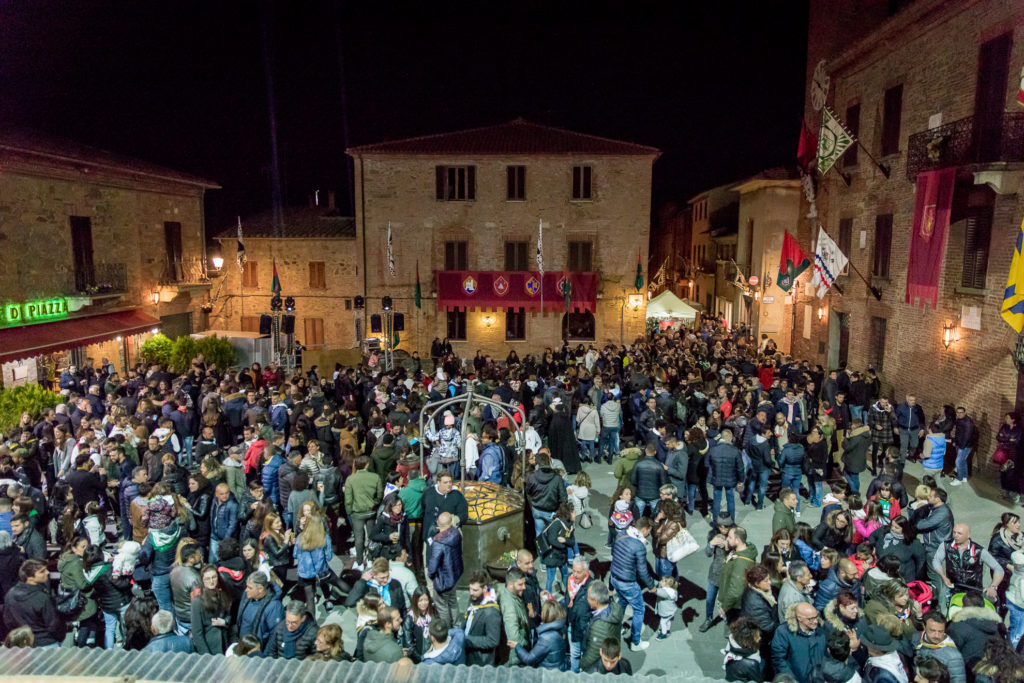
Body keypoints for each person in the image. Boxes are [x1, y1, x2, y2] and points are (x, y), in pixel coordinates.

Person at [933, 524, 1003, 612]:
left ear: (968, 535)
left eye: (959, 533)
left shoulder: (979, 551)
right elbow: (936, 560)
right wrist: (943, 576)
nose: (955, 535)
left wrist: (993, 586)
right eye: (954, 532)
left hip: (973, 594)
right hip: (953, 591)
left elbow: (998, 568)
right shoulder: (946, 545)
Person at [609, 516, 655, 651]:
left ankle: (615, 629)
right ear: (644, 529)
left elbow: (614, 556)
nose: (648, 534)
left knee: (622, 603)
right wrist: (651, 586)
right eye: (649, 531)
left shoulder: (621, 534)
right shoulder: (639, 546)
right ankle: (635, 642)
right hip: (628, 582)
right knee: (639, 609)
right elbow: (642, 571)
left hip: (615, 578)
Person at [3, 558, 66, 648]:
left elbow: (8, 620)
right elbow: (53, 625)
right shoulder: (42, 598)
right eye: (42, 571)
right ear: (30, 577)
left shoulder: (10, 594)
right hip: (46, 643)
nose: (47, 572)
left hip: (23, 644)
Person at [57, 535, 101, 647]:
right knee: (87, 622)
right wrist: (93, 582)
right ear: (74, 548)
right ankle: (83, 646)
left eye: (87, 546)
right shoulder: (76, 563)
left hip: (70, 597)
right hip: (81, 600)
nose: (86, 550)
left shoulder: (66, 560)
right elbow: (82, 584)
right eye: (83, 547)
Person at [946, 591, 1004, 673]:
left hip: (966, 672)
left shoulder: (958, 626)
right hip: (989, 672)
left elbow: (949, 653)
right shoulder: (996, 626)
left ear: (963, 606)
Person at [771, 602, 827, 683]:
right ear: (799, 618)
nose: (815, 621)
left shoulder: (821, 631)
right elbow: (779, 660)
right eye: (811, 619)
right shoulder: (784, 632)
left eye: (816, 617)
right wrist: (791, 680)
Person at [344, 455, 382, 570]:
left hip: (357, 512)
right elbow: (379, 495)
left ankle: (359, 562)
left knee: (359, 538)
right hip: (370, 511)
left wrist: (349, 511)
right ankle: (370, 559)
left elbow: (348, 499)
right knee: (371, 537)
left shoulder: (351, 479)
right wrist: (374, 503)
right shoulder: (375, 477)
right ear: (367, 464)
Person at [426, 511, 463, 629]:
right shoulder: (456, 533)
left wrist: (431, 574)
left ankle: (446, 630)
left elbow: (433, 563)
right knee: (453, 602)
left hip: (442, 579)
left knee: (442, 607)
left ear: (438, 523)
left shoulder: (438, 542)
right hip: (454, 576)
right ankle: (457, 627)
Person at [580, 581, 623, 672]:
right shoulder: (614, 608)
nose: (587, 599)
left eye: (588, 597)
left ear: (596, 601)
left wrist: (580, 664)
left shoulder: (599, 627)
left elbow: (592, 656)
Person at [912, 611, 966, 683]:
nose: (937, 636)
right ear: (924, 626)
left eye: (940, 631)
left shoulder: (953, 656)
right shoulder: (916, 639)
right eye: (932, 630)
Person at [190, 563, 233, 655]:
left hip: (226, 641)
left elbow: (229, 615)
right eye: (207, 579)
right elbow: (197, 633)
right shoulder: (197, 602)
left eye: (214, 577)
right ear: (203, 581)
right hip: (211, 646)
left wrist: (225, 622)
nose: (211, 581)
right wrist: (206, 655)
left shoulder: (223, 594)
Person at [719, 526, 759, 621]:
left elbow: (736, 590)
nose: (727, 539)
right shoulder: (741, 551)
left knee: (732, 629)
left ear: (737, 540)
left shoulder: (742, 563)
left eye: (730, 537)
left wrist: (725, 607)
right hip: (734, 603)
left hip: (734, 606)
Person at [237, 572, 285, 650]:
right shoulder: (247, 596)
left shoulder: (274, 606)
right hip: (243, 646)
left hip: (258, 651)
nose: (246, 590)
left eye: (250, 588)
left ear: (260, 589)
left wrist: (265, 655)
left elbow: (275, 635)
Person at [710, 428, 745, 522]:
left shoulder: (713, 450)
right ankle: (731, 521)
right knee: (730, 500)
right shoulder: (735, 450)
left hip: (716, 479)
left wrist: (710, 478)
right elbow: (740, 468)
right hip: (731, 479)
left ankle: (715, 521)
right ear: (730, 438)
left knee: (717, 500)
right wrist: (741, 480)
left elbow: (708, 465)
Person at [498, 566, 531, 666]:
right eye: (520, 584)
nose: (524, 587)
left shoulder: (512, 595)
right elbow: (513, 637)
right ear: (511, 585)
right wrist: (526, 644)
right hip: (516, 656)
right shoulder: (509, 607)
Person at [541, 502, 575, 593]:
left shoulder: (570, 524)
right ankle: (549, 599)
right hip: (552, 556)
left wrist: (565, 541)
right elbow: (552, 540)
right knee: (550, 579)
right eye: (574, 512)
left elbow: (572, 542)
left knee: (565, 576)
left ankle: (568, 594)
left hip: (562, 556)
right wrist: (564, 545)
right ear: (569, 513)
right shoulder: (557, 524)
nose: (576, 514)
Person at [630, 442, 667, 517]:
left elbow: (633, 480)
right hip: (655, 495)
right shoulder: (659, 465)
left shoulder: (638, 464)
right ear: (655, 452)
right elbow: (663, 483)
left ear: (646, 450)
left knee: (637, 516)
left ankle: (638, 528)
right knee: (656, 516)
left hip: (640, 494)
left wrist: (639, 486)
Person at [723, 616, 764, 682]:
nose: (759, 638)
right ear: (748, 641)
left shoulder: (731, 645)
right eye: (756, 636)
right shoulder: (752, 664)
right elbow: (758, 680)